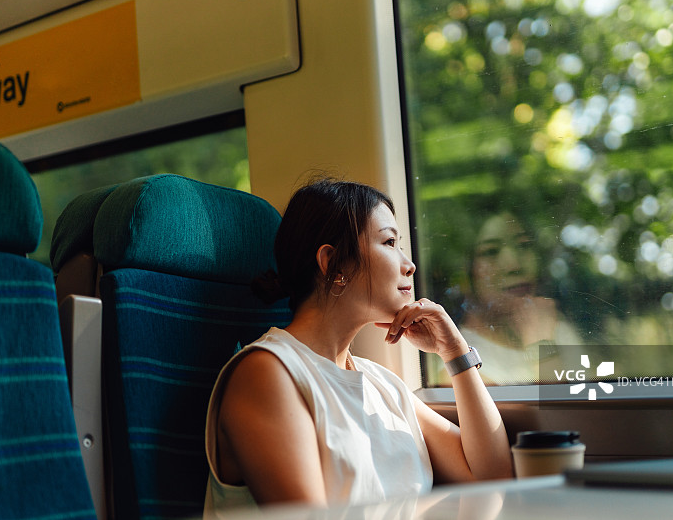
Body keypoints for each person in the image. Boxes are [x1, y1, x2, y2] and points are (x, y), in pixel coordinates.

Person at [203, 178, 513, 514]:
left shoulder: (382, 384)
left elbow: (492, 479)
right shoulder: (267, 374)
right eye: (390, 242)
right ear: (333, 265)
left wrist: (455, 353)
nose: (409, 265)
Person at [452, 211, 580, 385]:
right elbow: (565, 410)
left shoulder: (559, 331)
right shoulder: (460, 361)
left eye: (523, 245)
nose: (513, 264)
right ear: (466, 272)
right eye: (490, 252)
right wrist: (542, 350)